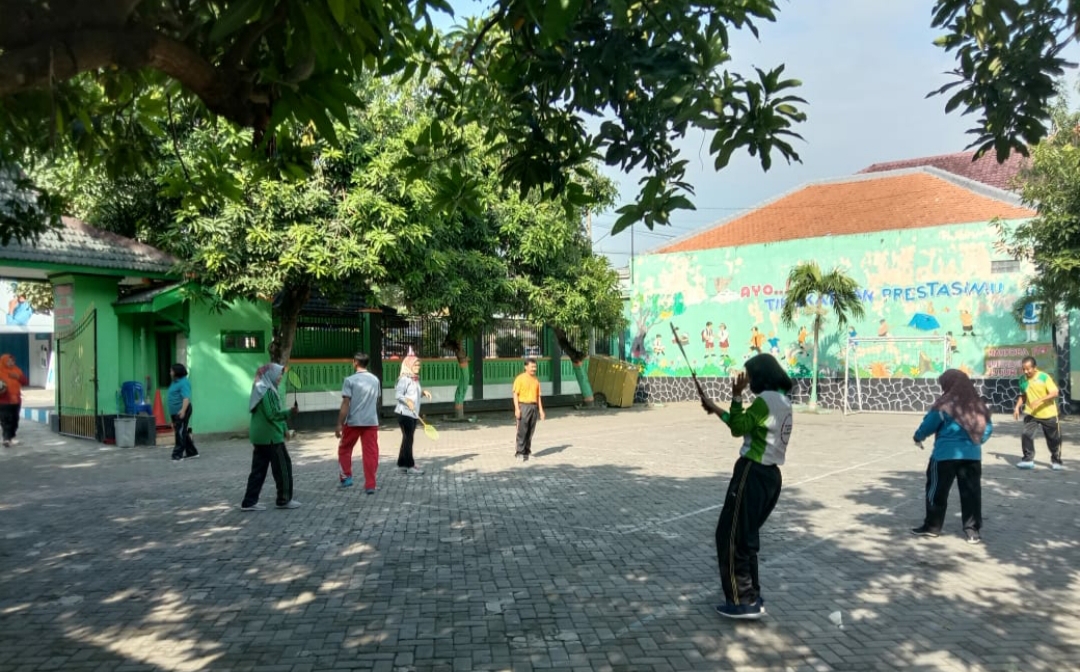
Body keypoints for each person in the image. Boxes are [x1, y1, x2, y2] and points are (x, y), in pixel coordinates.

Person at [697, 354, 793, 620]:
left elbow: (738, 428)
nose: (746, 381)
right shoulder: (782, 400)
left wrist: (735, 396)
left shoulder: (766, 400)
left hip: (752, 472)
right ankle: (752, 595)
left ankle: (742, 601)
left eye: (749, 376)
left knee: (729, 535)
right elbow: (747, 424)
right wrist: (716, 409)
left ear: (761, 376)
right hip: (770, 477)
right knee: (746, 537)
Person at [911, 369, 992, 544]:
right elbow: (987, 429)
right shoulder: (978, 405)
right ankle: (972, 531)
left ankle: (932, 526)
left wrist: (918, 437)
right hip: (972, 456)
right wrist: (976, 442)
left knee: (937, 490)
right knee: (971, 493)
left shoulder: (944, 405)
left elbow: (929, 425)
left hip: (944, 456)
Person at [241, 363, 301, 511]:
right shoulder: (267, 391)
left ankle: (249, 502)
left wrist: (285, 428)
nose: (280, 377)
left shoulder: (259, 388)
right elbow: (272, 414)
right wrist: (290, 412)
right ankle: (284, 499)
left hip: (259, 437)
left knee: (258, 470)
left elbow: (274, 411)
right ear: (271, 375)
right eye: (279, 374)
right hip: (271, 438)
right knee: (283, 468)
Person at [336, 352, 381, 493]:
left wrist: (339, 423)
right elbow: (377, 399)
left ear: (355, 362)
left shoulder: (350, 380)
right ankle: (370, 485)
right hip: (371, 421)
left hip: (353, 422)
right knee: (370, 453)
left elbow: (345, 403)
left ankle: (346, 478)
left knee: (344, 449)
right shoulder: (375, 380)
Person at [1014, 356, 1063, 470]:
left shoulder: (1044, 377)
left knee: (1053, 440)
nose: (1026, 371)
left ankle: (1056, 461)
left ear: (1035, 368)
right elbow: (1023, 395)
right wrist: (1017, 407)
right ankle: (1028, 460)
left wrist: (1039, 400)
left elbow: (1055, 393)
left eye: (1028, 369)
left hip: (1048, 414)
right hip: (1032, 414)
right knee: (1026, 435)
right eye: (1023, 369)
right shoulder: (1022, 379)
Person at [394, 349, 431, 475]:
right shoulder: (404, 379)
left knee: (406, 439)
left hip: (413, 414)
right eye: (415, 364)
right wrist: (407, 401)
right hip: (404, 414)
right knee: (409, 439)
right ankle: (410, 466)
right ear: (408, 365)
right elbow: (398, 395)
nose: (418, 367)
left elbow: (414, 393)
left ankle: (402, 463)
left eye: (419, 364)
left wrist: (423, 393)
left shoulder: (414, 379)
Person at [513, 358, 545, 461]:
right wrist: (517, 409)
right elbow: (515, 394)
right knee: (522, 430)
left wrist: (541, 410)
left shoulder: (536, 380)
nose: (534, 369)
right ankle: (519, 452)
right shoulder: (520, 379)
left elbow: (538, 396)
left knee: (531, 430)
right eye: (532, 367)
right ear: (526, 367)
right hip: (524, 406)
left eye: (535, 367)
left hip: (533, 407)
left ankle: (527, 450)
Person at [167, 363, 199, 461]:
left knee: (180, 432)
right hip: (175, 412)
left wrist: (183, 411)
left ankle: (177, 455)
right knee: (182, 431)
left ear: (177, 372)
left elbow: (186, 398)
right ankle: (192, 452)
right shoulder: (175, 382)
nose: (170, 373)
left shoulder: (184, 382)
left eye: (171, 371)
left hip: (182, 410)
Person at [0, 354, 29, 447]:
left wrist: (18, 377)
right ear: (4, 361)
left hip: (16, 399)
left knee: (15, 419)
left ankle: (11, 437)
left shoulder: (17, 370)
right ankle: (6, 439)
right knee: (6, 419)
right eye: (9, 361)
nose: (11, 363)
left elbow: (25, 382)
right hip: (4, 400)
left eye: (13, 361)